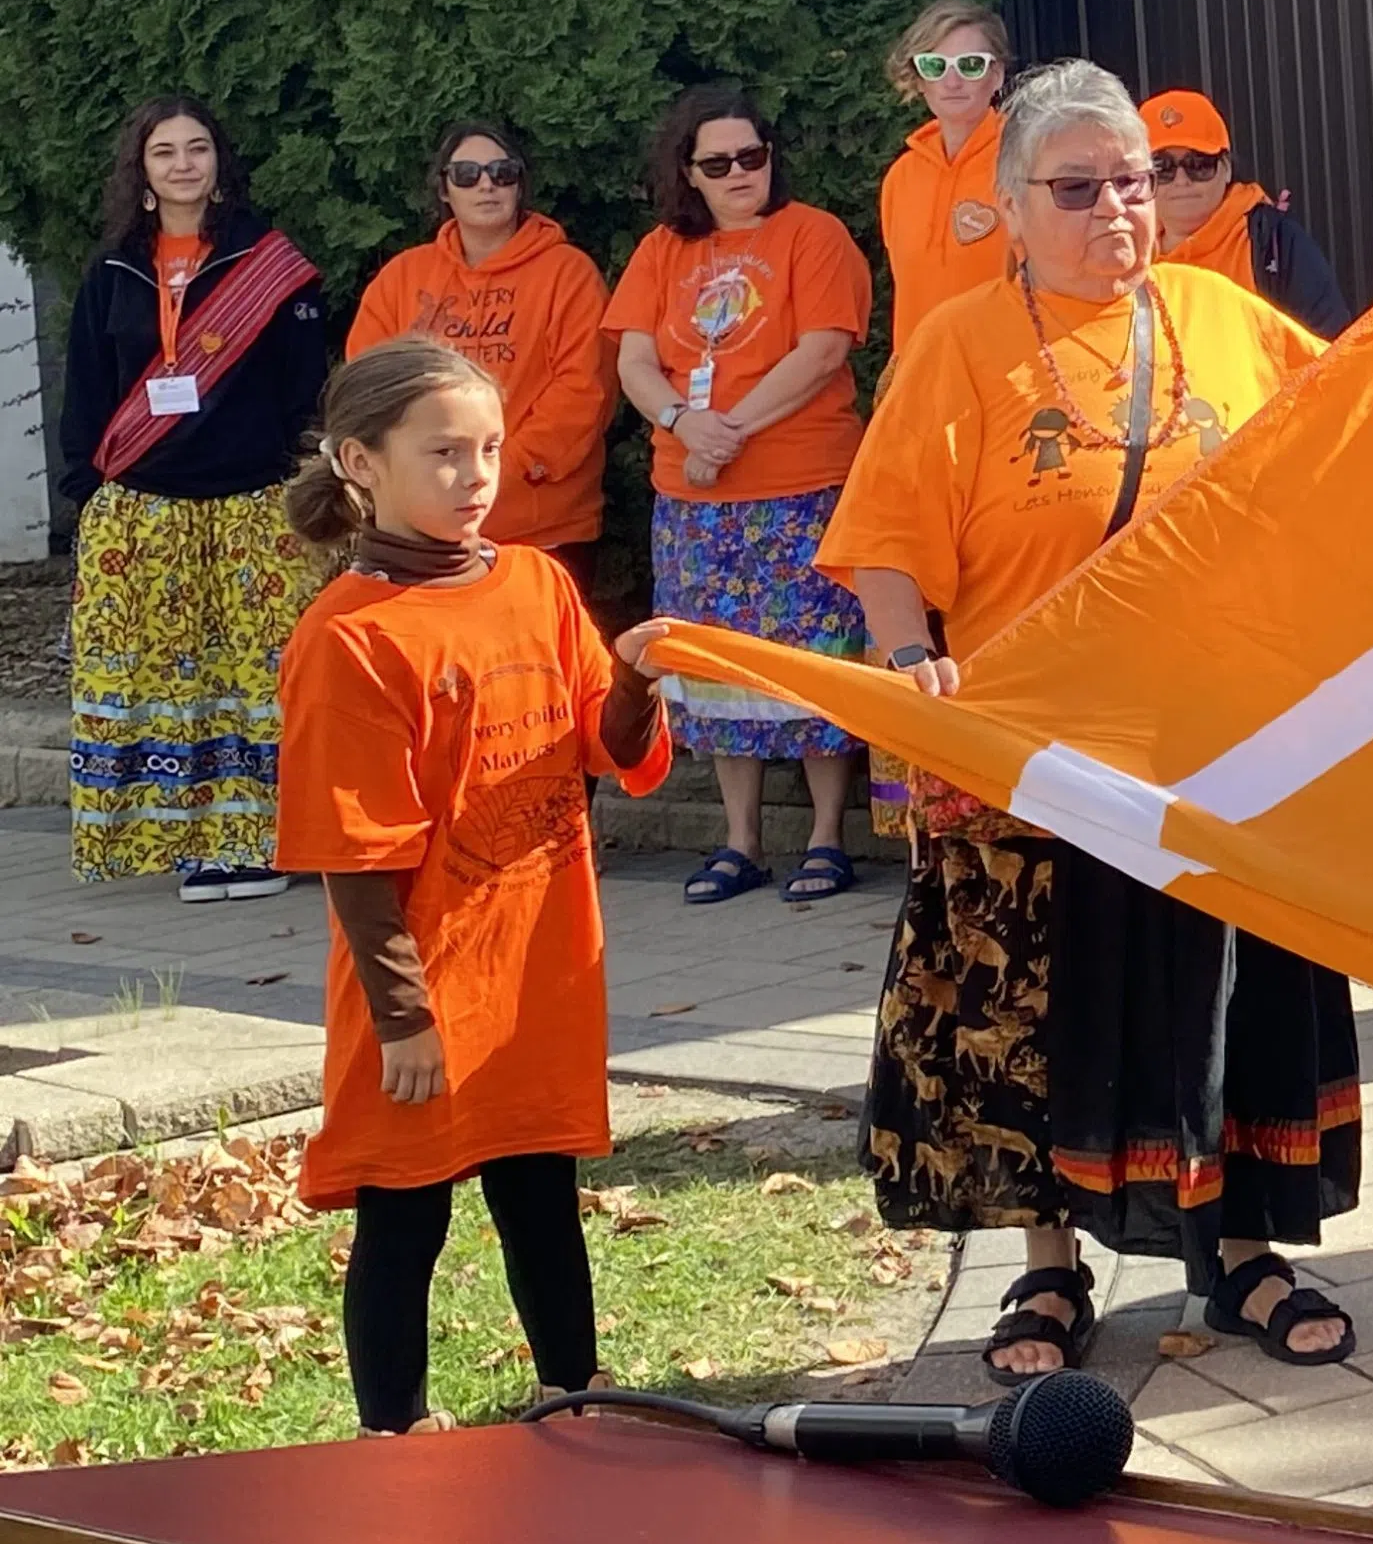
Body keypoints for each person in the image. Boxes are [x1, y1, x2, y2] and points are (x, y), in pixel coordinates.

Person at [825, 62, 1363, 1377]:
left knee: (1239, 1001)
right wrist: (910, 655)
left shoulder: (1224, 317)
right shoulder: (958, 345)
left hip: (1214, 745)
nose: (1118, 208)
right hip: (1033, 750)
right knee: (1037, 1022)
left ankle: (1242, 1258)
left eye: (1136, 179)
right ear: (1012, 205)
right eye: (1080, 188)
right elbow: (890, 537)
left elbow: (1362, 432)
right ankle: (1048, 1277)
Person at [277, 338, 674, 1434]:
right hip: (425, 992)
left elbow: (608, 743)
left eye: (489, 449)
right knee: (406, 1219)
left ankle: (577, 1401)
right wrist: (405, 1022)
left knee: (543, 1203)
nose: (477, 475)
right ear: (360, 461)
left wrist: (637, 672)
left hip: (539, 968)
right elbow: (351, 849)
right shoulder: (345, 638)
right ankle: (391, 1433)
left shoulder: (539, 581)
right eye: (444, 452)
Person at [56, 96, 332, 898]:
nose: (183, 164)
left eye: (198, 148)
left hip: (252, 508)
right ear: (140, 173)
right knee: (167, 679)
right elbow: (86, 391)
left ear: (220, 164)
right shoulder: (113, 273)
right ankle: (188, 838)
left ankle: (268, 840)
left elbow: (301, 390)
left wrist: (297, 481)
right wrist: (89, 491)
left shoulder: (268, 264)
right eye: (164, 152)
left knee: (258, 676)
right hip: (146, 512)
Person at [604, 84, 873, 907]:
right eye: (716, 163)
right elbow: (635, 361)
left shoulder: (814, 235)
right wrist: (688, 423)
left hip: (800, 482)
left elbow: (823, 349)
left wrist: (732, 430)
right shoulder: (661, 251)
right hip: (693, 495)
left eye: (750, 157)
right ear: (689, 173)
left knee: (814, 658)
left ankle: (827, 836)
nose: (737, 175)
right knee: (717, 663)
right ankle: (739, 840)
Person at [346, 118, 618, 599]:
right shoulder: (401, 277)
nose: (487, 184)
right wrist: (425, 483)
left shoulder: (568, 273)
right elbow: (369, 390)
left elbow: (583, 393)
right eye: (468, 173)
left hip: (542, 528)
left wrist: (490, 473)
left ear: (521, 184)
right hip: (421, 531)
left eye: (502, 172)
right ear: (444, 189)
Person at [1142, 88, 1353, 333]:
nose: (1181, 180)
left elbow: (1330, 346)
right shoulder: (1125, 251)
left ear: (1227, 169)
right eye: (1163, 168)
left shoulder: (1273, 244)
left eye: (1198, 165)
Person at [878, 0, 1017, 357]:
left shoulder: (1025, 161)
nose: (951, 81)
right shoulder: (900, 177)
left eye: (970, 65)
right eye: (935, 65)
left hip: (1006, 379)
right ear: (920, 79)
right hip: (921, 382)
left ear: (997, 74)